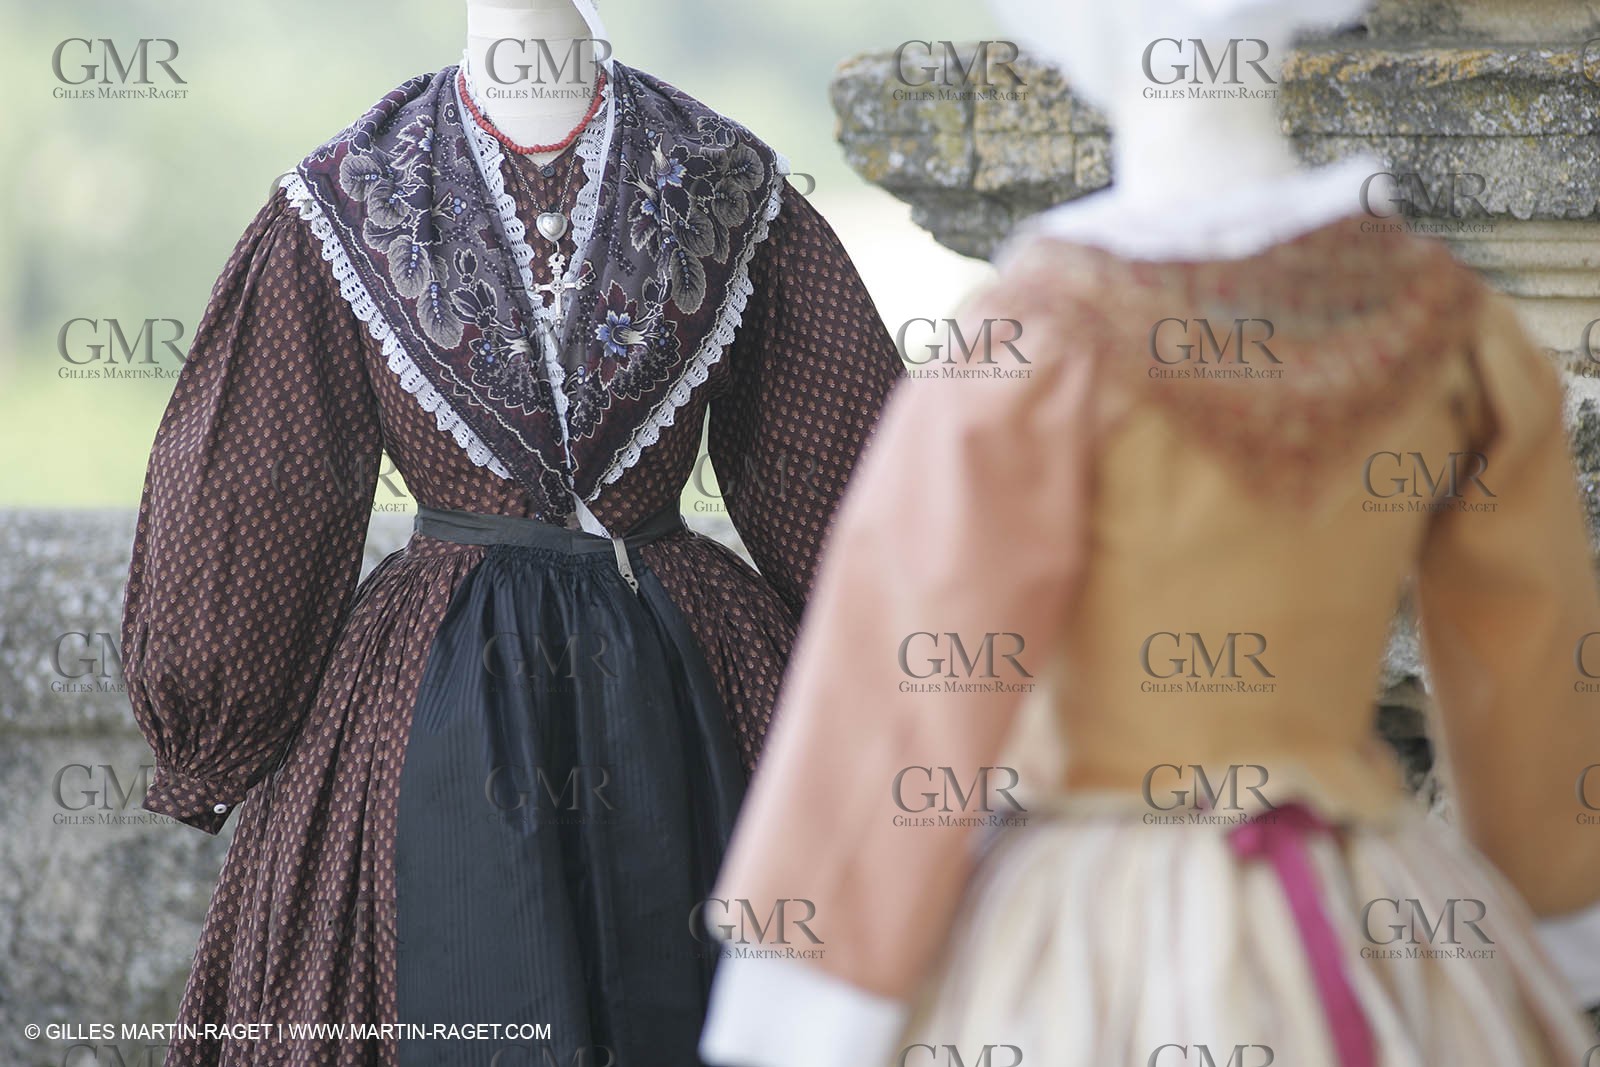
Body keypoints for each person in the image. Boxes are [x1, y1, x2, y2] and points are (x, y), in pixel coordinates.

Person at [699, 0, 1600, 1064]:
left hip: (1097, 912)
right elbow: (1537, 661)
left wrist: (817, 991)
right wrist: (1561, 923)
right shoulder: (1452, 333)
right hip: (1368, 903)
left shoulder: (1036, 343)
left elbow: (910, 682)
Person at [119, 1, 904, 1062]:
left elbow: (846, 465)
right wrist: (210, 721)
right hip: (431, 698)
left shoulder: (728, 178)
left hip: (680, 682)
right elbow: (263, 477)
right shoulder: (345, 195)